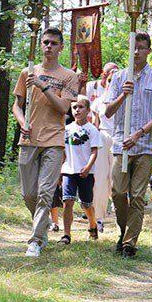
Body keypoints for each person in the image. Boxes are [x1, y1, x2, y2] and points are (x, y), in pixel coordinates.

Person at [12, 27, 79, 258]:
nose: (48, 46)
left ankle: (35, 240)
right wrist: (22, 122)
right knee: (28, 194)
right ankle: (42, 225)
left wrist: (43, 86)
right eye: (45, 42)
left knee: (44, 193)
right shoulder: (27, 72)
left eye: (53, 43)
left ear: (61, 47)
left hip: (53, 139)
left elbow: (63, 108)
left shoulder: (69, 76)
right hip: (28, 139)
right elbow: (17, 105)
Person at [105, 32, 152, 258]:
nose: (137, 52)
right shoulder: (119, 77)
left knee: (137, 195)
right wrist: (123, 95)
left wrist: (139, 133)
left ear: (148, 51)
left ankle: (129, 243)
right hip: (121, 145)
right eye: (134, 47)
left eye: (141, 48)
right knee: (118, 192)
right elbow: (108, 111)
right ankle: (124, 230)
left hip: (145, 146)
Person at [57, 96, 102, 244]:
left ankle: (92, 225)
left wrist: (88, 167)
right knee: (68, 200)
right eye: (74, 107)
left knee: (86, 204)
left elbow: (94, 151)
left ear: (88, 110)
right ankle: (66, 234)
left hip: (86, 172)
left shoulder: (92, 130)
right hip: (69, 170)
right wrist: (59, 170)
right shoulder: (67, 129)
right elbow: (63, 151)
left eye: (81, 107)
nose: (77, 110)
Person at [90, 67, 118, 232]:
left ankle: (119, 216)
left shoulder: (125, 101)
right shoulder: (98, 102)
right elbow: (95, 125)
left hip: (118, 139)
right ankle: (98, 218)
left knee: (116, 179)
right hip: (102, 138)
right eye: (110, 81)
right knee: (99, 178)